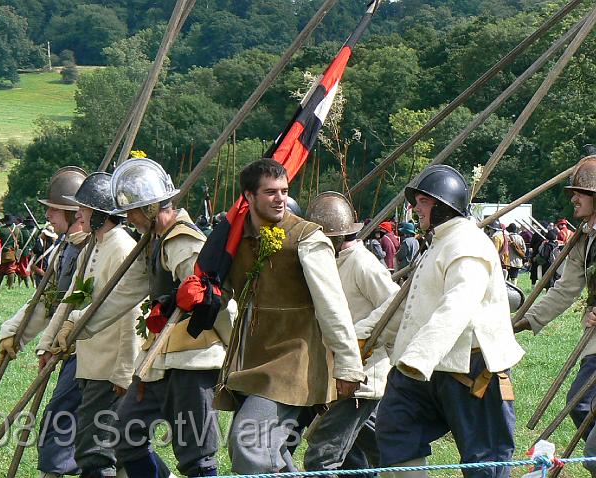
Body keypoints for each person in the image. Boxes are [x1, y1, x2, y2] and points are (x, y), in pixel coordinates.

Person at [53, 158, 231, 478]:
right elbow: (121, 294)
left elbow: (214, 302)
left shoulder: (182, 240)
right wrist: (77, 325)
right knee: (124, 437)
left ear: (151, 208)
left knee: (197, 455)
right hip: (159, 359)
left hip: (194, 360)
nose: (129, 218)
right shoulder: (153, 242)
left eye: (134, 210)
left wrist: (234, 353)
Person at [363, 165, 523, 478]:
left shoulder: (468, 244)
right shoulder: (439, 243)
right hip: (427, 366)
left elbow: (458, 306)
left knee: (484, 461)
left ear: (443, 204)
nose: (415, 208)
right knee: (396, 428)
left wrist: (417, 357)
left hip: (473, 368)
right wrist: (364, 336)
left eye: (422, 201)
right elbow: (411, 307)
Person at [213, 159, 364, 474]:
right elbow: (220, 296)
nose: (280, 198)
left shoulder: (307, 238)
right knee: (272, 455)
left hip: (294, 365)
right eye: (270, 192)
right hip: (252, 365)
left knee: (249, 442)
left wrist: (348, 365)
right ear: (249, 197)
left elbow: (332, 306)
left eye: (283, 191)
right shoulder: (233, 240)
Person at [40, 172, 143, 477]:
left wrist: (124, 371)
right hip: (88, 361)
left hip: (109, 367)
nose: (79, 215)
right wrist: (47, 344)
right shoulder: (92, 247)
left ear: (100, 214)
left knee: (96, 451)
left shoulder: (122, 249)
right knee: (100, 446)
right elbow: (70, 300)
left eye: (84, 209)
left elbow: (130, 314)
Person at [0, 166, 88, 478]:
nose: (48, 215)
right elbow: (47, 301)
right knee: (91, 432)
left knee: (63, 422)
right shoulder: (65, 248)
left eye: (53, 209)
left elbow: (79, 305)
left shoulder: (93, 250)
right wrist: (14, 335)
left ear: (76, 213)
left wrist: (52, 343)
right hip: (71, 351)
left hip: (91, 351)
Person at [303, 191, 398, 475]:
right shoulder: (333, 262)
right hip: (340, 375)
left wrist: (359, 338)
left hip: (360, 377)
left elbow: (395, 306)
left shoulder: (361, 263)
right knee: (360, 459)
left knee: (322, 458)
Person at [515, 154, 596, 477]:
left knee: (584, 405)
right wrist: (523, 321)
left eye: (580, 192)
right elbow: (564, 290)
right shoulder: (585, 237)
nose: (573, 198)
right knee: (581, 405)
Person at [0, 214, 20, 289]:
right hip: (12, 252)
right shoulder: (17, 229)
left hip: (3, 252)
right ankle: (10, 286)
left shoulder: (0, 229)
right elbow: (21, 241)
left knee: (1, 269)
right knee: (11, 269)